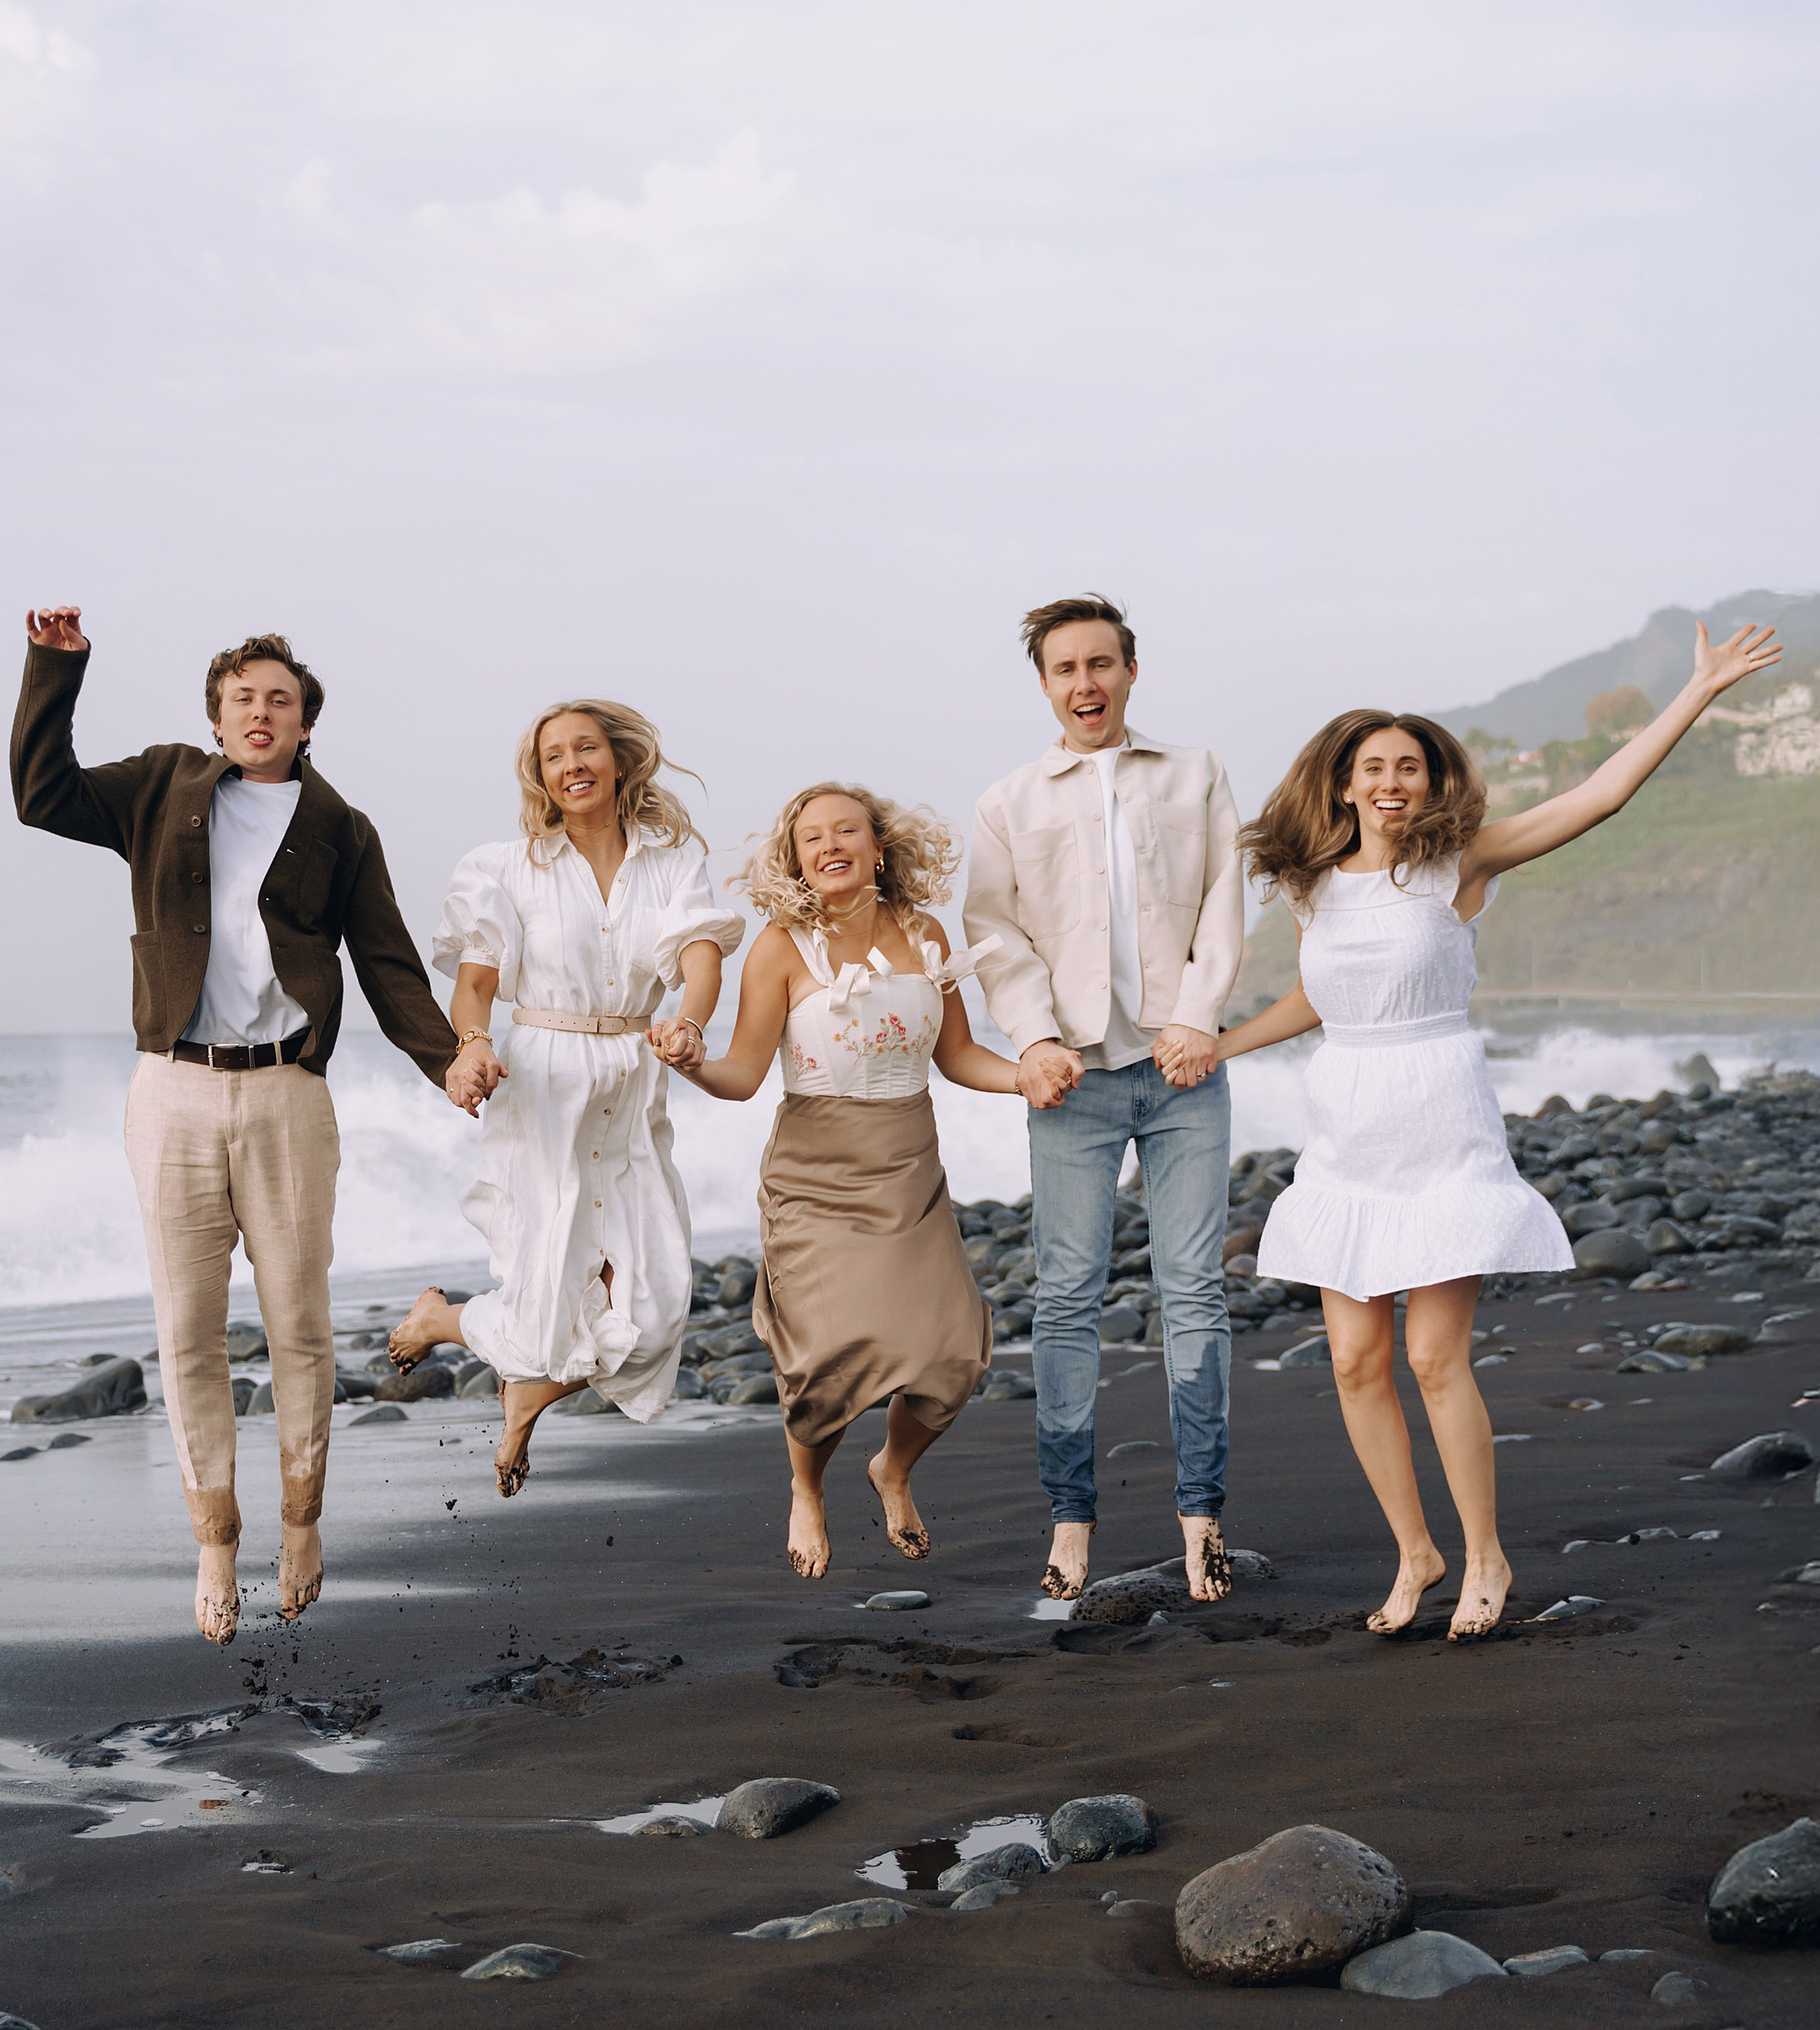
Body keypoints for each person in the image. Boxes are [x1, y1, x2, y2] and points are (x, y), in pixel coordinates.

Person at [1215, 619, 1782, 1642]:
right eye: (1373, 766)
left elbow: (1600, 796)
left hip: (1439, 1119)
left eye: (1411, 766)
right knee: (1352, 1360)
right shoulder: (1312, 888)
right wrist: (1221, 1046)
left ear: (1432, 785)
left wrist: (1695, 692)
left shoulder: (1460, 866)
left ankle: (1486, 1554)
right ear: (1342, 784)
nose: (1392, 779)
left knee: (1435, 1357)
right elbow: (1321, 1003)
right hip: (1345, 1128)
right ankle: (1416, 1551)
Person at [12, 610, 462, 1647]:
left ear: (306, 723)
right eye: (243, 697)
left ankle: (301, 1525)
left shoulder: (341, 826)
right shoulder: (164, 786)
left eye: (281, 699)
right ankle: (215, 1536)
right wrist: (56, 668)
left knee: (302, 1325)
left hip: (288, 1095)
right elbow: (43, 796)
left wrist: (449, 1063)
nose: (261, 711)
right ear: (217, 714)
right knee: (187, 1331)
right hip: (171, 1089)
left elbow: (389, 964)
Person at [963, 595, 1245, 1603]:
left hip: (1183, 1071)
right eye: (1064, 668)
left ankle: (1202, 1519)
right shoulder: (1010, 800)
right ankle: (1071, 1519)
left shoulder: (1196, 774)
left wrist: (1197, 1013)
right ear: (1045, 685)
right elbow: (995, 933)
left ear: (1131, 669)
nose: (1084, 682)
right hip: (1071, 1079)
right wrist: (1034, 1038)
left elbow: (1223, 899)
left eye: (1100, 663)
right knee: (1068, 1299)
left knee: (1196, 1292)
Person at [667, 784, 1020, 1578]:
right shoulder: (780, 946)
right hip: (813, 1173)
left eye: (845, 830)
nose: (829, 844)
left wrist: (1025, 1074)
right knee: (824, 1358)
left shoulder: (925, 932)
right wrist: (692, 1064)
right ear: (795, 860)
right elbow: (743, 1074)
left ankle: (891, 1469)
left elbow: (958, 1056)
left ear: (877, 846)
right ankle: (806, 1488)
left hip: (908, 1166)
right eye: (811, 837)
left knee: (953, 1354)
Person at [388, 702, 741, 1495]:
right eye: (554, 755)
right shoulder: (505, 867)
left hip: (635, 1075)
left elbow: (700, 955)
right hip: (543, 1086)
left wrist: (688, 1021)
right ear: (541, 776)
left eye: (586, 747)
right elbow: (476, 977)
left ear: (617, 760)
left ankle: (502, 1380)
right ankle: (446, 1325)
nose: (572, 763)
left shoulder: (671, 859)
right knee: (544, 1315)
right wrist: (473, 1044)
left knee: (653, 1318)